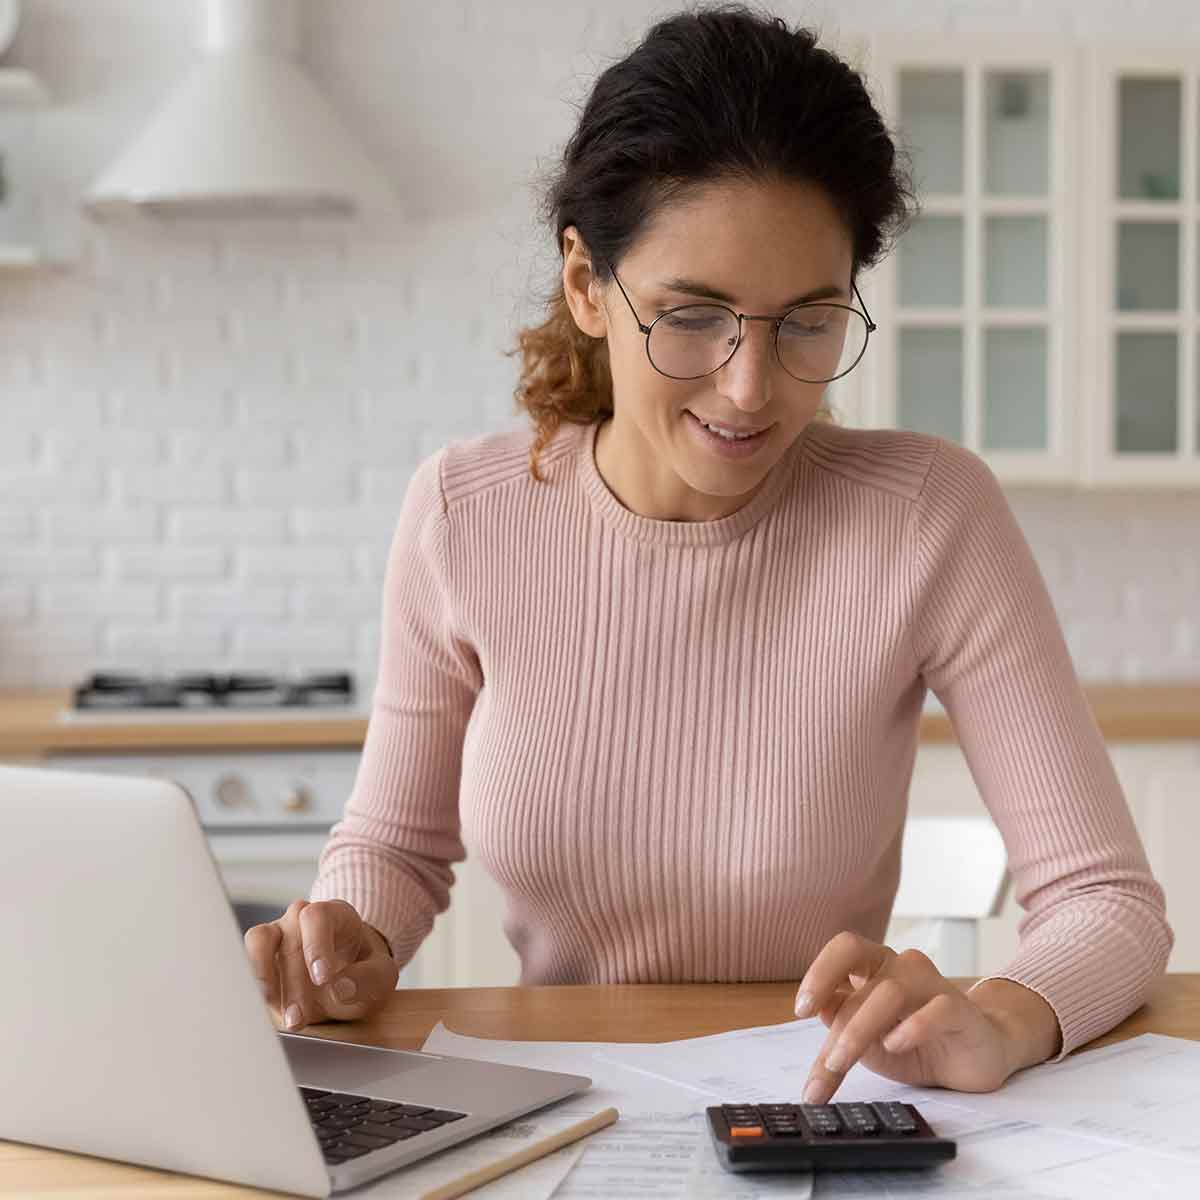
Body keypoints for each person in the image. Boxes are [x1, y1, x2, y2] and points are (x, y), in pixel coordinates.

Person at [245, 3, 1172, 1106]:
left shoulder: (929, 513)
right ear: (588, 286)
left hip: (817, 1109)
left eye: (808, 322)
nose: (750, 386)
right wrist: (349, 938)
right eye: (693, 316)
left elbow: (1107, 902)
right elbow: (396, 851)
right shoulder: (465, 512)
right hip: (556, 1107)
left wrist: (1003, 1022)